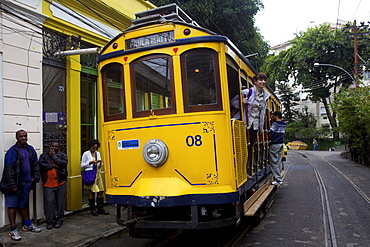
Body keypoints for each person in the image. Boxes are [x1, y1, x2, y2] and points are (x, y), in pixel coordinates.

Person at [0, 130, 41, 241]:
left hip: (27, 182)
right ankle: (13, 229)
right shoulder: (12, 151)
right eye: (21, 136)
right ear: (17, 138)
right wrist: (12, 184)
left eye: (25, 136)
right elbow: (9, 169)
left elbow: (35, 165)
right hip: (15, 183)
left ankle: (27, 224)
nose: (23, 138)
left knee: (23, 204)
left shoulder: (30, 149)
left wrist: (35, 178)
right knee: (12, 205)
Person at [231, 72, 270, 144]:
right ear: (255, 81)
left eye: (264, 80)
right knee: (243, 143)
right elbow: (233, 101)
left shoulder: (266, 96)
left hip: (255, 124)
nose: (263, 82)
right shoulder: (247, 92)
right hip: (245, 121)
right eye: (260, 80)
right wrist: (241, 103)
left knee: (251, 143)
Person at [39, 141, 68, 230]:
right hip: (48, 184)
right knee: (49, 203)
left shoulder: (62, 155)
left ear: (58, 148)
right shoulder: (44, 156)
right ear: (49, 146)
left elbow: (63, 164)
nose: (54, 148)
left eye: (56, 147)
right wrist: (53, 166)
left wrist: (54, 157)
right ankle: (50, 221)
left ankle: (59, 220)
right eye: (52, 146)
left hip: (60, 182)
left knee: (60, 203)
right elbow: (41, 165)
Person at [81, 139, 109, 216]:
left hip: (97, 173)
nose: (95, 149)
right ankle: (92, 209)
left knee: (101, 190)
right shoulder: (86, 154)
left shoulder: (98, 153)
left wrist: (100, 163)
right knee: (92, 191)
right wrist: (90, 163)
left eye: (96, 148)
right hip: (90, 174)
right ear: (90, 147)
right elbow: (82, 165)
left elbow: (101, 164)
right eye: (93, 148)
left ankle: (100, 208)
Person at [269, 111, 286, 185]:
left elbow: (271, 133)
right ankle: (279, 178)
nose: (272, 117)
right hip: (280, 143)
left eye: (273, 116)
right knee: (278, 161)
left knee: (273, 161)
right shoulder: (284, 124)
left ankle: (278, 179)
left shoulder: (275, 124)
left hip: (274, 144)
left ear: (276, 116)